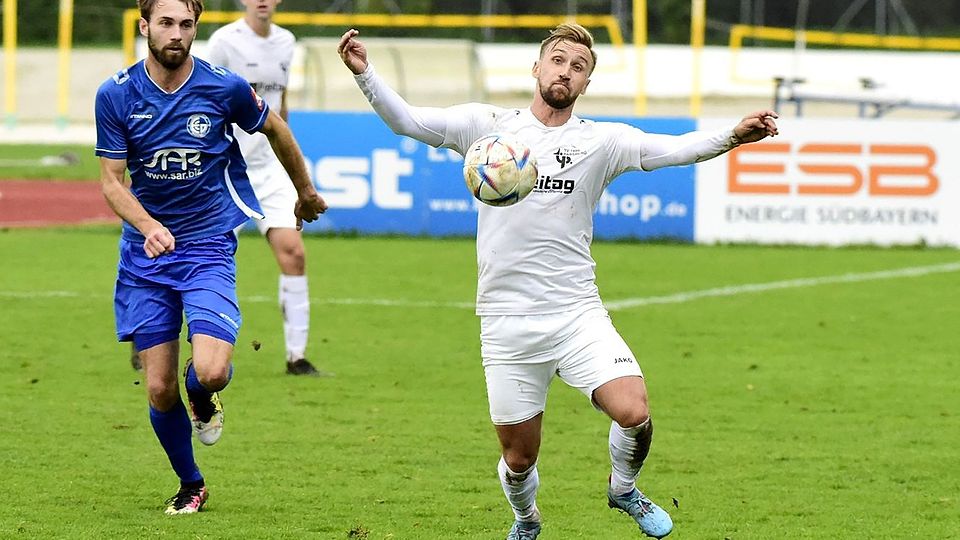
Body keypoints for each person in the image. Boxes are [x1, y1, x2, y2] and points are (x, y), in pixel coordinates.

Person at [338, 24, 778, 539]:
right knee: (519, 458)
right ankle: (526, 520)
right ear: (537, 67)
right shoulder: (488, 127)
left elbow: (675, 149)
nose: (565, 71)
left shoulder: (601, 141)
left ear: (586, 82)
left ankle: (623, 489)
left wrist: (731, 136)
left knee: (634, 411)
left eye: (578, 66)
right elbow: (405, 120)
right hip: (505, 323)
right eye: (558, 60)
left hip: (576, 313)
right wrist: (365, 73)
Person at [96, 0, 326, 514]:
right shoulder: (115, 94)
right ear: (144, 27)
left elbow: (277, 129)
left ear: (195, 29)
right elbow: (111, 179)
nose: (176, 33)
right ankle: (191, 482)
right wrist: (148, 225)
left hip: (206, 245)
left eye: (186, 24)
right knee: (157, 388)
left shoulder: (222, 87)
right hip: (145, 252)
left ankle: (202, 396)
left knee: (213, 371)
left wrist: (305, 191)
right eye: (166, 23)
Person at [203, 0, 327, 376]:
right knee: (202, 258)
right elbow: (205, 99)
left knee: (294, 254)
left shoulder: (287, 42)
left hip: (269, 166)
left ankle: (297, 358)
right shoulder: (223, 42)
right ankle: (155, 337)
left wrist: (291, 163)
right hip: (227, 167)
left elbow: (280, 106)